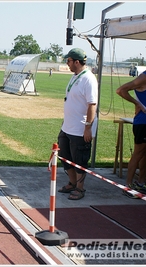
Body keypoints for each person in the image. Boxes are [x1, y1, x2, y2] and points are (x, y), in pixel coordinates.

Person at [57, 48, 98, 200]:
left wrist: (88, 127)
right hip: (67, 127)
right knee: (64, 156)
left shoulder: (88, 79)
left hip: (80, 129)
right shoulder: (76, 76)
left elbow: (92, 104)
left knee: (79, 160)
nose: (67, 64)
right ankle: (72, 183)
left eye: (68, 61)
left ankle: (80, 189)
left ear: (76, 61)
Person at [116, 50, 146, 198]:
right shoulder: (143, 78)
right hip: (143, 122)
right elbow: (121, 90)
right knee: (139, 153)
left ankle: (141, 183)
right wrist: (136, 103)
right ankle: (128, 185)